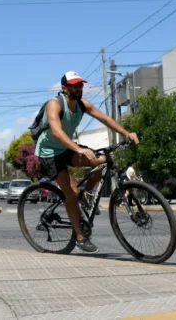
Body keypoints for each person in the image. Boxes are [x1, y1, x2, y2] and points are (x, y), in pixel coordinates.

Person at [35, 71, 139, 253]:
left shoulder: (83, 105)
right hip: (50, 152)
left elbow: (105, 119)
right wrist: (79, 149)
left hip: (66, 147)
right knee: (72, 192)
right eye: (75, 85)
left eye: (80, 84)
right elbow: (57, 132)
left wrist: (126, 133)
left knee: (102, 160)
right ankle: (80, 238)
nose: (79, 88)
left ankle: (87, 196)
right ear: (64, 88)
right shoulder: (55, 104)